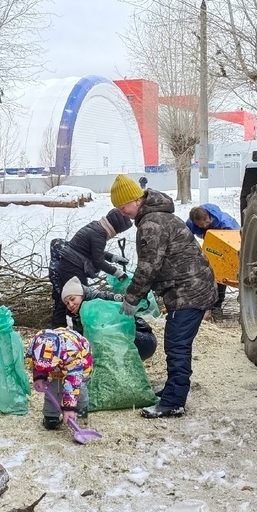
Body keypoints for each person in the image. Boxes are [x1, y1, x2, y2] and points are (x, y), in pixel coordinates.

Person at [110, 174, 217, 419]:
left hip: (189, 289)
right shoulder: (157, 216)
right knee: (176, 343)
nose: (121, 211)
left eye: (122, 206)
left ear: (136, 200)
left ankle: (173, 402)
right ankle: (172, 392)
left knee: (177, 345)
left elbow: (149, 266)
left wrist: (131, 299)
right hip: (189, 286)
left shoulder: (152, 223)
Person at [49, 208, 133, 328]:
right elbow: (98, 260)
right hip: (72, 267)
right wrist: (118, 273)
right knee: (79, 299)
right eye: (118, 231)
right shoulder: (99, 234)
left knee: (69, 299)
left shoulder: (96, 227)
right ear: (115, 227)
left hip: (68, 264)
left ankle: (62, 328)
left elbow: (93, 251)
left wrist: (114, 258)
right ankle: (71, 329)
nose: (117, 234)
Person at [61, 276, 158, 361]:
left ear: (82, 294)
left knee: (105, 335)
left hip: (142, 338)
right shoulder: (77, 317)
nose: (71, 305)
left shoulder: (100, 299)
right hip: (116, 349)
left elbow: (129, 300)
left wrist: (134, 300)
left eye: (72, 299)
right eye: (67, 303)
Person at [27, 328, 93, 431]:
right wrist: (39, 376)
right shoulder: (38, 343)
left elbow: (73, 381)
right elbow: (37, 363)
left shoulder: (72, 353)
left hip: (80, 360)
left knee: (79, 387)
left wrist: (68, 407)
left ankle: (80, 411)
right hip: (58, 361)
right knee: (54, 386)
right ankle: (51, 415)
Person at [186, 204, 241, 312]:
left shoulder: (225, 224)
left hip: (229, 243)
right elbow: (185, 237)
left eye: (207, 222)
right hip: (211, 243)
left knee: (220, 272)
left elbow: (232, 247)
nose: (205, 225)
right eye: (201, 225)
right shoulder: (190, 224)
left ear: (209, 217)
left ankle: (217, 304)